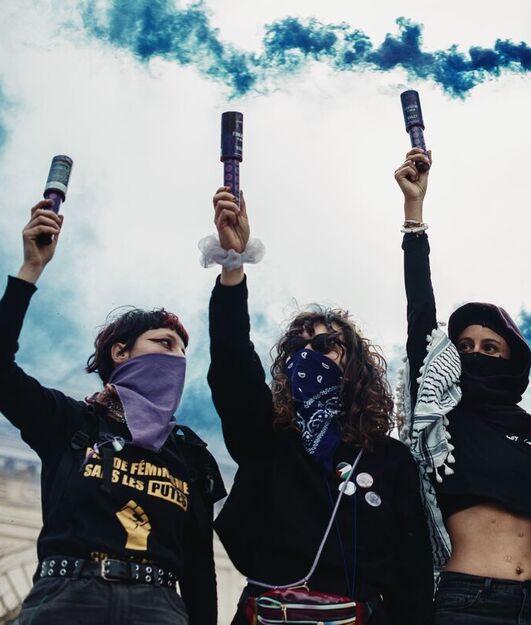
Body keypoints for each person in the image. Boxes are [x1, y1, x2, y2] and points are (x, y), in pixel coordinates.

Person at [0, 201, 225, 625]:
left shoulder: (189, 456)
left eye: (183, 351)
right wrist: (30, 271)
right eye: (164, 343)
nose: (177, 359)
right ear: (121, 352)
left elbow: (200, 571)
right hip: (68, 597)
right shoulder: (71, 423)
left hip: (158, 605)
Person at [204, 187, 433, 625]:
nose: (311, 352)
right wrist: (232, 267)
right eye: (299, 345)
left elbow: (413, 571)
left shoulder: (390, 460)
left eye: (327, 343)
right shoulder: (267, 438)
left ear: (355, 362)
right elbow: (233, 365)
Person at [394, 150, 531, 624]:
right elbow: (420, 322)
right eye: (464, 345)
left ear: (512, 362)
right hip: (467, 603)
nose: (474, 354)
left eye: (490, 348)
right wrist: (415, 218)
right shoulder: (442, 419)